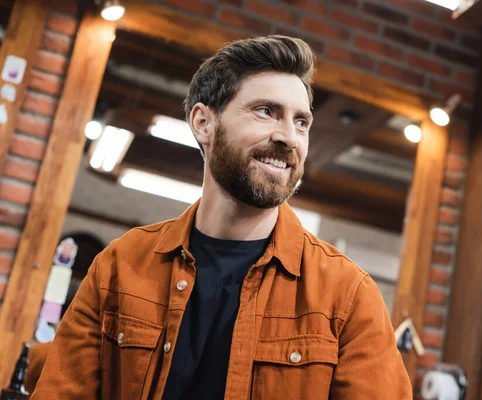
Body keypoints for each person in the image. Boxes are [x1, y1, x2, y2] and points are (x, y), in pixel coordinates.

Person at [32, 35, 411, 399]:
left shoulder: (346, 297)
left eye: (301, 122)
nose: (289, 137)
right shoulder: (119, 267)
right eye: (267, 111)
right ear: (203, 123)